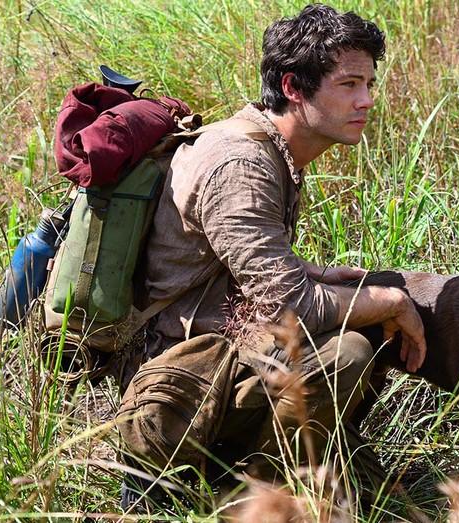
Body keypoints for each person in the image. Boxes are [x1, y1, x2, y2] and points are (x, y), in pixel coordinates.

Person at [120, 3, 427, 511]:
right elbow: (292, 307)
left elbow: (234, 260)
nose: (367, 100)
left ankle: (299, 470)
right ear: (293, 87)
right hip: (181, 382)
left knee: (363, 303)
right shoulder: (241, 165)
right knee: (348, 351)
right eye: (349, 84)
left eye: (370, 84)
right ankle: (250, 497)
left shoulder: (271, 149)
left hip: (221, 348)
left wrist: (324, 275)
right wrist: (391, 301)